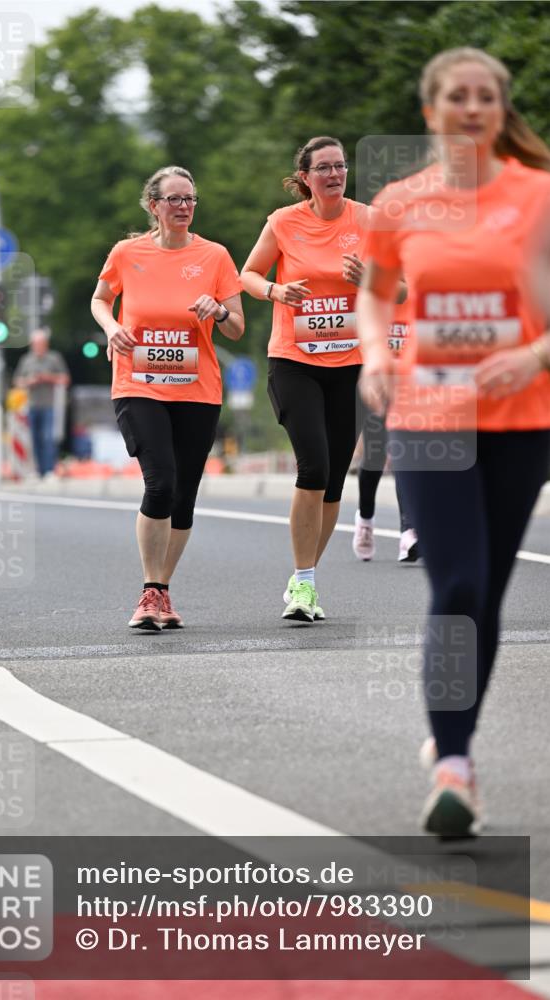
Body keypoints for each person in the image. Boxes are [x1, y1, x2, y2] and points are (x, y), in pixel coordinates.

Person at [357, 47, 550, 836]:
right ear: (430, 111)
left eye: (484, 97)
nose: (471, 108)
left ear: (499, 112)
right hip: (428, 414)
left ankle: (451, 733)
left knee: (488, 591)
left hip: (520, 416)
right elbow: (374, 295)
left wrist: (532, 356)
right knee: (458, 586)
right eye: (456, 96)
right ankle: (455, 771)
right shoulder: (399, 204)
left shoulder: (537, 196)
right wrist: (375, 356)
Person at [241, 136, 405, 622]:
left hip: (351, 365)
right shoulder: (283, 222)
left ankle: (305, 577)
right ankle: (304, 581)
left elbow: (402, 289)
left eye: (341, 166)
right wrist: (275, 291)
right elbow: (247, 275)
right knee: (312, 466)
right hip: (295, 361)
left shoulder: (368, 220)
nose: (335, 175)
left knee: (333, 478)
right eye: (325, 168)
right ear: (306, 177)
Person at [91, 165, 244, 630]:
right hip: (138, 384)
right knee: (160, 482)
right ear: (154, 205)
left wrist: (219, 311)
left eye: (190, 199)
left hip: (197, 390)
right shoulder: (127, 253)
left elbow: (237, 328)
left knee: (183, 496)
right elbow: (100, 299)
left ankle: (162, 591)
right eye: (174, 199)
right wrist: (112, 327)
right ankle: (150, 589)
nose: (184, 206)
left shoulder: (215, 256)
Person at [353, 300, 420, 563]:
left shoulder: (421, 288)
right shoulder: (374, 293)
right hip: (377, 379)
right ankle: (365, 519)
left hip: (411, 382)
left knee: (404, 450)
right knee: (375, 456)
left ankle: (409, 531)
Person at [13, 329, 70, 479]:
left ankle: (49, 470)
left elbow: (65, 379)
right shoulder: (26, 360)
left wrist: (47, 378)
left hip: (51, 405)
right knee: (34, 439)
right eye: (35, 344)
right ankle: (37, 470)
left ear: (46, 344)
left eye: (40, 343)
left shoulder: (54, 358)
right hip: (31, 405)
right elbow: (17, 381)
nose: (37, 346)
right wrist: (29, 381)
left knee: (48, 438)